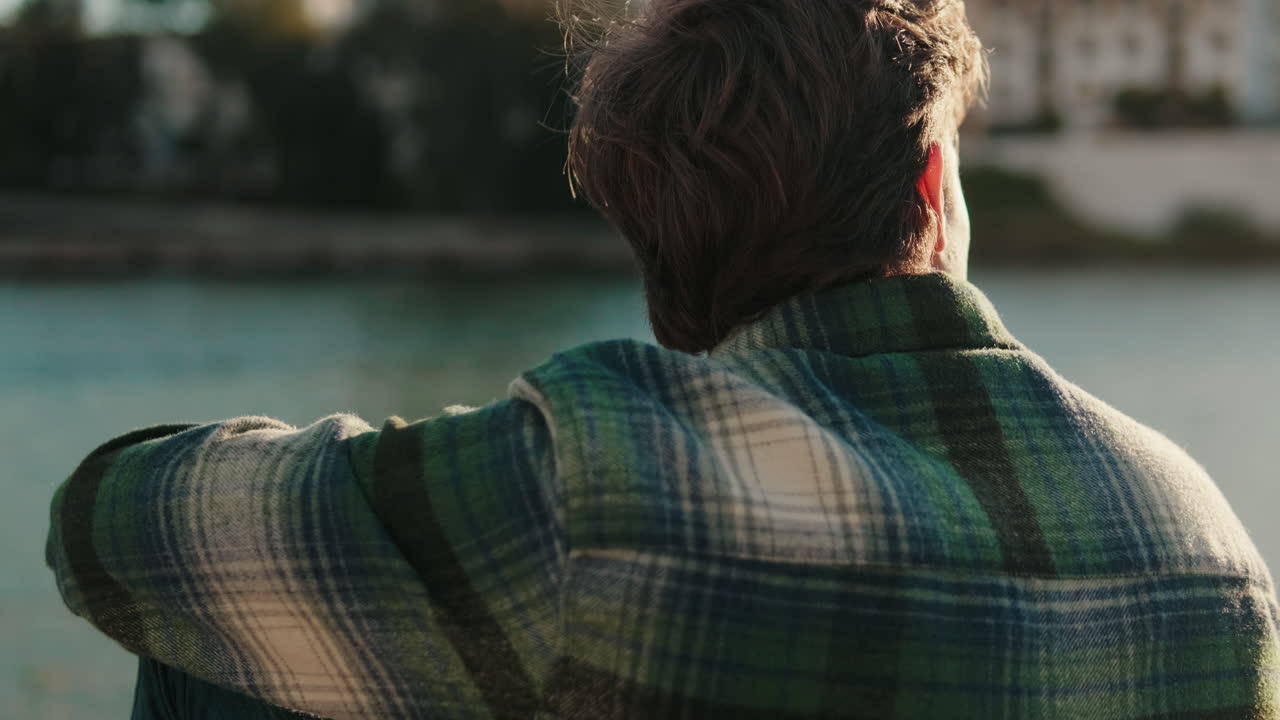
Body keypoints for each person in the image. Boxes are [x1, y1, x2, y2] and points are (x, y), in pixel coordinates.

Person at [47, 0, 1279, 718]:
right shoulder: (1208, 548)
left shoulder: (603, 481)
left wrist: (459, 468)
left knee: (223, 638)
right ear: (927, 185)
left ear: (655, 240)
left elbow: (104, 526)